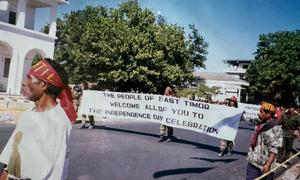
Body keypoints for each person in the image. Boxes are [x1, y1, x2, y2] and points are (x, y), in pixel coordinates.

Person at [0, 58, 77, 180]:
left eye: (29, 78)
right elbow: (13, 153)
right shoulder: (27, 114)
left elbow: (50, 172)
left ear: (44, 84)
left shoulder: (58, 123)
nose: (24, 83)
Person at [246, 102, 282, 180]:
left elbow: (275, 148)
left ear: (268, 114)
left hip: (265, 165)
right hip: (253, 162)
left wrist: (268, 164)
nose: (259, 114)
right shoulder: (259, 124)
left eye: (261, 112)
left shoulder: (276, 128)